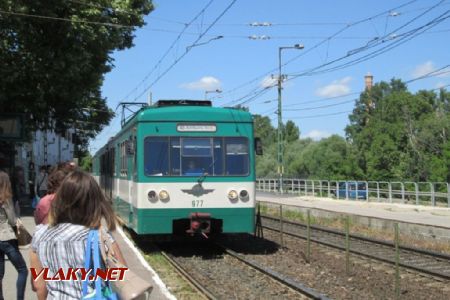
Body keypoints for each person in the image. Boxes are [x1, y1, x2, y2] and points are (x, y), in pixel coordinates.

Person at [30, 170, 126, 300]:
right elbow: (124, 279)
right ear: (94, 202)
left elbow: (38, 285)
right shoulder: (99, 236)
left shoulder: (40, 234)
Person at [0, 171, 28, 300]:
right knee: (22, 270)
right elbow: (11, 220)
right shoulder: (5, 197)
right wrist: (17, 213)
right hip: (6, 238)